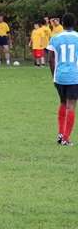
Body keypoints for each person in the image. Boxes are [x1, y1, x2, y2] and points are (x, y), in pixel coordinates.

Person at [47, 13, 78, 146]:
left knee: (63, 103)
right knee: (71, 106)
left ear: (63, 24)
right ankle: (65, 138)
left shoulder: (55, 38)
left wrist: (54, 75)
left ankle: (60, 134)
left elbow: (50, 59)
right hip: (74, 77)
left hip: (59, 77)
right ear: (74, 23)